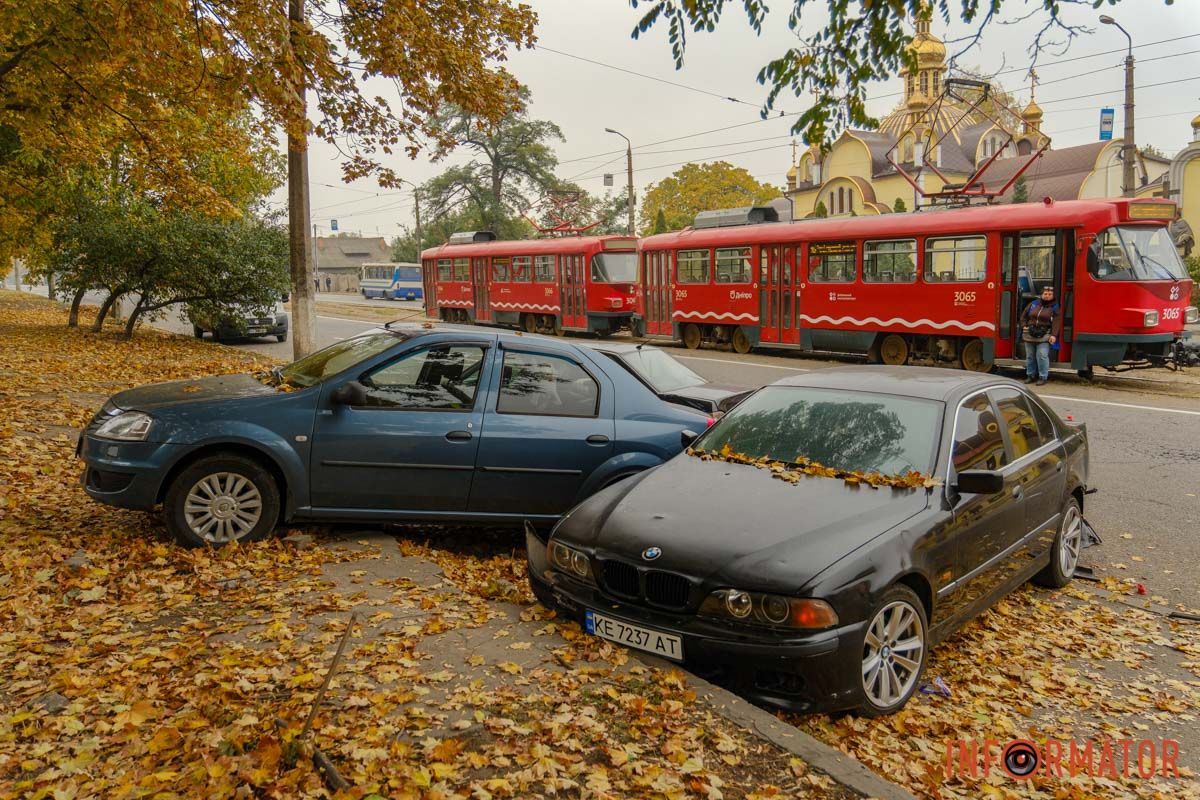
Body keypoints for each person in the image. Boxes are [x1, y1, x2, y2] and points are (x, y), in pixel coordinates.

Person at [1021, 286, 1060, 385]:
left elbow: (1057, 321)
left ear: (1053, 296)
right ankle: (1030, 375)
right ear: (1042, 295)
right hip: (1029, 334)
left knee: (1042, 355)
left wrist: (1054, 335)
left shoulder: (1055, 307)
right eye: (1045, 294)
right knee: (1030, 356)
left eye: (1050, 294)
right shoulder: (1033, 304)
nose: (1047, 296)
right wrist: (1024, 325)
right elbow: (1024, 316)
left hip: (1045, 334)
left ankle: (1043, 377)